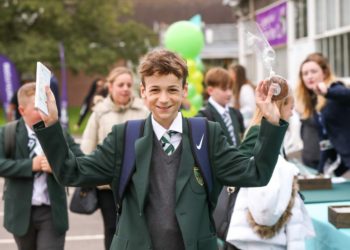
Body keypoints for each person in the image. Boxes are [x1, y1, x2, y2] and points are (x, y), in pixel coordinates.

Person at [34, 49, 288, 250]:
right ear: (143, 92)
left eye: (172, 90)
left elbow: (256, 172)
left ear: (184, 91)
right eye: (155, 90)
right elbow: (71, 172)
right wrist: (52, 126)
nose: (163, 99)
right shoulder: (124, 137)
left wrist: (272, 124)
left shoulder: (206, 134)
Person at [226, 89, 315, 250]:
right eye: (290, 108)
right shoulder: (259, 132)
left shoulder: (274, 134)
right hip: (256, 220)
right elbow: (244, 166)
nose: (293, 113)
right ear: (280, 107)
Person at [0, 82, 83, 250]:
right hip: (21, 211)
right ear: (22, 111)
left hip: (51, 212)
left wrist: (59, 166)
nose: (43, 112)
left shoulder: (58, 132)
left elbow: (80, 158)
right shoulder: (7, 133)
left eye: (45, 107)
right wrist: (31, 165)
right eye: (37, 108)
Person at [80, 67, 149, 250]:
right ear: (110, 87)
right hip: (107, 187)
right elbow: (87, 147)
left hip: (138, 185)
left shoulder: (144, 111)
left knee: (140, 229)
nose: (125, 88)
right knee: (112, 229)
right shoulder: (99, 113)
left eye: (128, 84)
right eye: (120, 85)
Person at [296, 52, 350, 176]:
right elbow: (324, 141)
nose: (309, 76)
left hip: (346, 166)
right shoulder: (310, 99)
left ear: (324, 73)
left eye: (313, 71)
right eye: (305, 73)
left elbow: (346, 94)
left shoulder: (335, 89)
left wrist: (327, 92)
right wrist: (320, 171)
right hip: (318, 165)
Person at [197, 67, 244, 146]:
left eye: (230, 88)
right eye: (224, 89)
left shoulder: (236, 113)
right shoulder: (203, 117)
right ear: (210, 90)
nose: (229, 93)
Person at [228, 64, 256, 128]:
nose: (229, 75)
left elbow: (250, 109)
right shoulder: (235, 88)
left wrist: (234, 113)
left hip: (247, 125)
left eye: (231, 73)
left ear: (237, 75)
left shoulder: (246, 88)